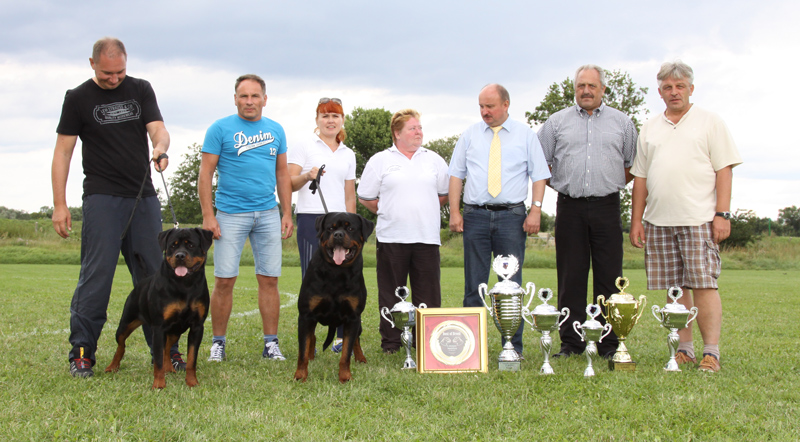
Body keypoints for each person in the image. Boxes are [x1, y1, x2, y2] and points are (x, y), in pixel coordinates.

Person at [52, 37, 179, 378]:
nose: (114, 78)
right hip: (102, 198)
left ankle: (166, 351)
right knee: (96, 276)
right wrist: (60, 204)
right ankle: (82, 353)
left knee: (156, 277)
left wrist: (160, 148)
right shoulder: (77, 98)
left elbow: (159, 130)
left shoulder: (140, 89)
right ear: (92, 64)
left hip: (143, 197)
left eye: (120, 71)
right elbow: (63, 152)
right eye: (107, 73)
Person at [630, 60, 742, 373]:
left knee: (704, 285)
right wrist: (637, 220)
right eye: (667, 87)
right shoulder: (650, 127)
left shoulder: (710, 122)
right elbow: (640, 178)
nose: (674, 92)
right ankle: (684, 350)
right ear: (660, 92)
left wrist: (722, 213)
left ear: (691, 88)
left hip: (699, 219)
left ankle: (711, 353)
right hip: (658, 221)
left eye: (680, 86)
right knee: (674, 290)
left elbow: (724, 170)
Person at [537, 65, 638, 359]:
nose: (586, 91)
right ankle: (571, 343)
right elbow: (540, 164)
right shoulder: (556, 123)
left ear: (603, 89)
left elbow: (632, 165)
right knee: (571, 277)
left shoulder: (623, 123)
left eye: (592, 86)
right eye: (581, 85)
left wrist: (607, 183)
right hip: (570, 207)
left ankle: (609, 343)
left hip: (607, 206)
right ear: (575, 89)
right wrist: (566, 183)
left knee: (610, 276)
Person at [448, 84, 550, 357]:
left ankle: (512, 348)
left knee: (511, 286)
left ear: (506, 104)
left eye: (490, 106)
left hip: (512, 217)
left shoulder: (526, 135)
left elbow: (540, 175)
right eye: (481, 106)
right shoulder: (469, 135)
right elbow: (456, 175)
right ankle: (470, 351)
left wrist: (536, 210)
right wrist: (455, 212)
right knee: (474, 285)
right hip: (475, 216)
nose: (484, 111)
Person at [199, 74, 294, 362]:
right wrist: (208, 215)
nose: (249, 101)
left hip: (267, 213)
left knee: (269, 279)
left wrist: (286, 212)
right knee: (224, 280)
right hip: (230, 214)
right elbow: (205, 173)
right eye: (244, 96)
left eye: (255, 96)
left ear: (265, 99)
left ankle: (271, 344)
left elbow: (282, 174)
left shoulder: (276, 130)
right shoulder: (219, 128)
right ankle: (218, 344)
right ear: (235, 99)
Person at [358, 109, 448, 353]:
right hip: (391, 237)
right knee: (391, 294)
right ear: (397, 133)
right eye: (412, 128)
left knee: (428, 294)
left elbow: (442, 195)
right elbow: (366, 197)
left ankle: (427, 343)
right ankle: (391, 342)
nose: (419, 132)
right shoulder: (380, 160)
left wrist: (422, 208)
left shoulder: (434, 160)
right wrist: (390, 210)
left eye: (420, 128)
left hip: (427, 238)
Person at [288, 97, 356, 353]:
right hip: (311, 221)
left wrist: (352, 228)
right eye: (325, 115)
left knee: (344, 278)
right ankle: (310, 338)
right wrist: (307, 176)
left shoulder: (348, 153)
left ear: (342, 120)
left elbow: (349, 194)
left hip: (342, 224)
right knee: (312, 279)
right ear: (317, 119)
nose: (330, 120)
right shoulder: (304, 145)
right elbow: (289, 183)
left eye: (335, 116)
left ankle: (340, 337)